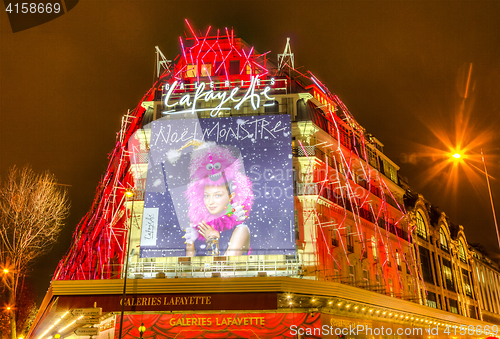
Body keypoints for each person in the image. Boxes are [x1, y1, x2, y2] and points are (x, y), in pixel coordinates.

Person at [182, 142, 253, 256]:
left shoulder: (241, 230)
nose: (210, 202)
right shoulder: (199, 229)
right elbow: (187, 270)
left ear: (231, 197)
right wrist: (190, 244)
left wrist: (212, 240)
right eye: (206, 195)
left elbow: (223, 271)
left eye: (218, 195)